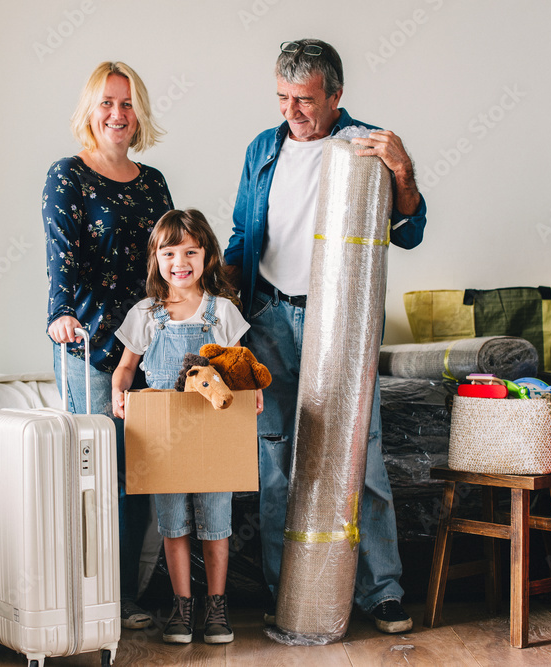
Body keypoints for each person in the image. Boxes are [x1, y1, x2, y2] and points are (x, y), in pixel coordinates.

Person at [223, 38, 428, 634]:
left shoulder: (366, 147)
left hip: (339, 323)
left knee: (359, 457)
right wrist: (223, 312)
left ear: (337, 96)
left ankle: (383, 593)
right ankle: (285, 592)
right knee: (276, 462)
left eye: (305, 100)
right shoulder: (263, 148)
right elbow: (242, 235)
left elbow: (410, 230)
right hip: (268, 321)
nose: (292, 112)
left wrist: (403, 170)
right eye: (283, 98)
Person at [43, 61, 173, 630]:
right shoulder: (67, 175)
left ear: (138, 112)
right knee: (94, 477)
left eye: (126, 103)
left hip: (150, 345)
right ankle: (88, 600)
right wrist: (61, 317)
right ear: (89, 112)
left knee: (143, 475)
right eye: (106, 103)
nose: (117, 114)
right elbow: (61, 262)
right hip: (92, 346)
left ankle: (126, 596)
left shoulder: (154, 183)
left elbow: (170, 264)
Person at [111, 209, 263, 644]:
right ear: (156, 258)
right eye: (170, 251)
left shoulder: (223, 313)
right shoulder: (146, 314)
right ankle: (182, 609)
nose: (181, 261)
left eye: (191, 251)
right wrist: (119, 392)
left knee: (216, 524)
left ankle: (217, 608)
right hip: (163, 438)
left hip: (213, 433)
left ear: (207, 256)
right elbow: (125, 369)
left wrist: (254, 393)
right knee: (173, 524)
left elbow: (241, 369)